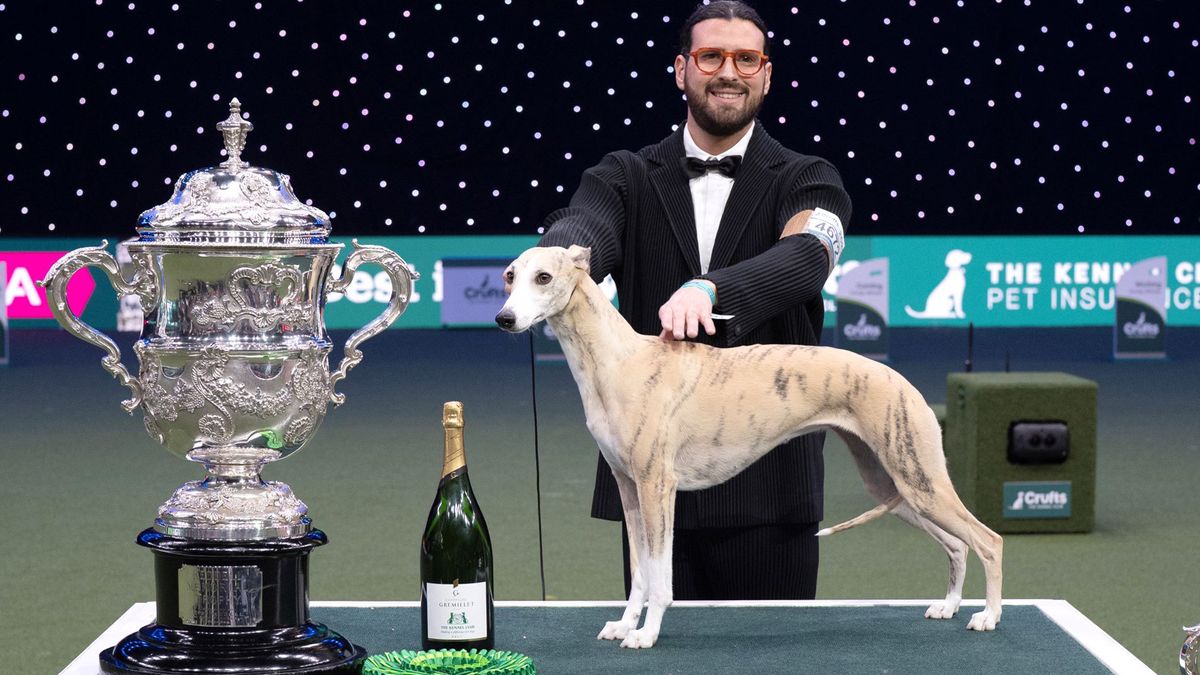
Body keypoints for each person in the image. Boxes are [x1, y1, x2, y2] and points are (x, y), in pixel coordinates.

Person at [538, 0, 852, 600]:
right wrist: (553, 262)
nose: (727, 71)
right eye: (711, 56)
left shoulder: (809, 176)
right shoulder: (622, 173)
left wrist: (715, 288)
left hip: (769, 496)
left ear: (766, 73)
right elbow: (586, 227)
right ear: (682, 69)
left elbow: (809, 255)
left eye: (745, 58)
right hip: (649, 479)